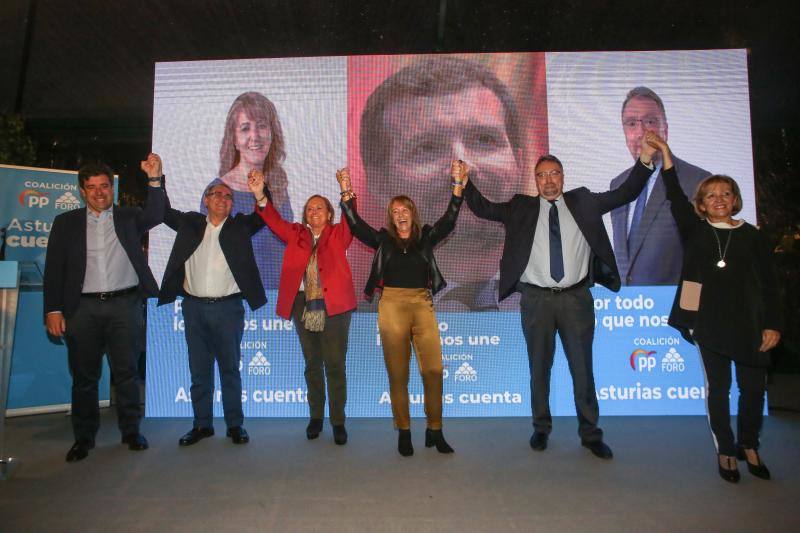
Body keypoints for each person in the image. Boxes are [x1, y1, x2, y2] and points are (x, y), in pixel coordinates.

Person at [464, 140, 657, 459]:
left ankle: (591, 433)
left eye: (554, 173)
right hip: (536, 301)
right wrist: (464, 182)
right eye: (542, 175)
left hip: (576, 299)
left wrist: (646, 161)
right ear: (535, 180)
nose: (549, 180)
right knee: (539, 368)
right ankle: (541, 428)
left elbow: (625, 193)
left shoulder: (583, 202)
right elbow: (484, 208)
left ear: (563, 177)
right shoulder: (520, 207)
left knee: (583, 368)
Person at [648, 132, 781, 482]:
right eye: (711, 195)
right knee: (718, 390)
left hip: (752, 325)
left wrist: (773, 324)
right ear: (702, 204)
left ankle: (750, 444)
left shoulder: (753, 236)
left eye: (725, 193)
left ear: (735, 199)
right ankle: (726, 449)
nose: (718, 199)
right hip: (710, 325)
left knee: (753, 390)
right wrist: (664, 152)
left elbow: (770, 285)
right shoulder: (695, 231)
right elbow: (674, 194)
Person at [358, 56, 528, 309]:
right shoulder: (355, 327)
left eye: (484, 140)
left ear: (520, 164)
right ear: (379, 184)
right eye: (427, 147)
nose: (460, 169)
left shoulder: (579, 303)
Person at [339, 160, 468, 456]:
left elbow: (448, 220)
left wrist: (457, 186)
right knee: (398, 374)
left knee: (434, 370)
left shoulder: (425, 237)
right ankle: (404, 431)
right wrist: (346, 193)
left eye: (404, 210)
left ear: (412, 213)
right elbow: (356, 226)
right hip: (392, 306)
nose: (400, 215)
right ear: (391, 217)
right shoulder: (383, 240)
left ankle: (435, 430)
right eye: (395, 212)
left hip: (422, 305)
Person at [43, 155, 165, 462]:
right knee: (85, 377)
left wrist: (154, 179)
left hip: (125, 305)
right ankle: (83, 439)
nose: (99, 192)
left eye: (105, 186)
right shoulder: (65, 223)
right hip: (81, 310)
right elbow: (55, 268)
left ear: (113, 188)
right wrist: (53, 310)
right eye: (92, 187)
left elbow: (158, 212)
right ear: (82, 191)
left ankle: (131, 432)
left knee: (126, 374)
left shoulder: (128, 217)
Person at [247, 168, 356, 445]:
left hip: (335, 309)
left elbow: (352, 221)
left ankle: (338, 421)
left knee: (334, 365)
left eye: (319, 208)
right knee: (312, 365)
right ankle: (316, 417)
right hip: (302, 307)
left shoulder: (339, 234)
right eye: (309, 209)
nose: (313, 212)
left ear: (330, 214)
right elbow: (272, 219)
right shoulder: (295, 233)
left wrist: (345, 190)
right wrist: (260, 193)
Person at [157, 177, 267, 447]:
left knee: (230, 370)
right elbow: (161, 211)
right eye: (216, 194)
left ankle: (234, 425)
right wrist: (154, 180)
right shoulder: (191, 223)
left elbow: (264, 216)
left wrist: (260, 193)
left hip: (228, 309)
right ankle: (202, 425)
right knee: (199, 371)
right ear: (206, 200)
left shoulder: (240, 227)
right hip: (193, 309)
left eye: (228, 196)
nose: (222, 198)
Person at [609, 86, 710, 285]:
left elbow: (703, 259)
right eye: (631, 124)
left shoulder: (698, 181)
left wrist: (691, 306)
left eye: (650, 121)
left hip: (677, 309)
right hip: (629, 308)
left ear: (666, 129)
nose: (640, 132)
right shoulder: (618, 184)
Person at [200, 91, 293, 290]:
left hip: (276, 301)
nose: (255, 136)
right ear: (233, 138)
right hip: (232, 298)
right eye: (245, 128)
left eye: (261, 126)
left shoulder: (278, 188)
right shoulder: (216, 192)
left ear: (272, 132)